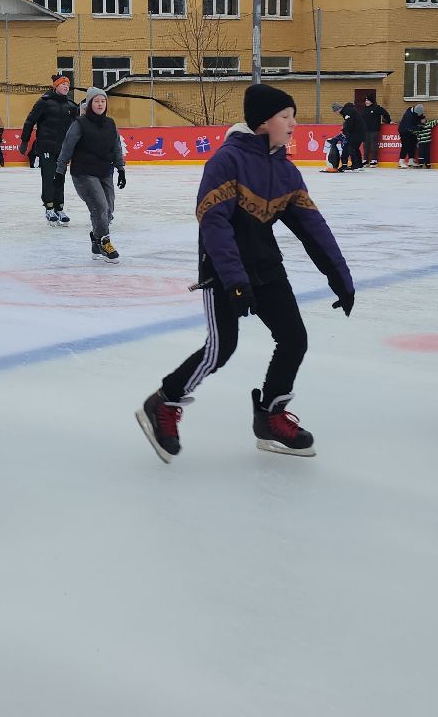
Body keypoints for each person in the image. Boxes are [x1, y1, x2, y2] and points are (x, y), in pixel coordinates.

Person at [137, 84, 354, 463]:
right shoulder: (227, 161)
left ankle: (270, 416)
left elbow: (311, 225)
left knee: (294, 338)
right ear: (262, 122)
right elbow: (214, 223)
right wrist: (235, 281)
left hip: (266, 266)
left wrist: (339, 275)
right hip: (223, 270)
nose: (294, 125)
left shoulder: (284, 170)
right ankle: (164, 402)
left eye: (293, 117)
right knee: (222, 348)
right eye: (286, 117)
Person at [56, 86, 127, 262]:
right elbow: (67, 147)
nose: (100, 104)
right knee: (100, 207)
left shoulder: (110, 124)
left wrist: (121, 169)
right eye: (97, 101)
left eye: (103, 101)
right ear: (89, 103)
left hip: (104, 172)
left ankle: (96, 240)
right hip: (83, 174)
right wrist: (60, 171)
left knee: (108, 210)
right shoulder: (79, 124)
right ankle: (104, 242)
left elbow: (116, 146)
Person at [20, 73, 80, 224]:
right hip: (46, 147)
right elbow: (30, 121)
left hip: (63, 150)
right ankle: (49, 207)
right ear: (56, 86)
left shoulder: (71, 106)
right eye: (63, 84)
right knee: (48, 178)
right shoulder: (44, 102)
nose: (66, 86)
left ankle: (59, 208)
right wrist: (24, 141)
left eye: (68, 84)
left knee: (59, 178)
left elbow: (77, 129)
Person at [360, 97, 391, 169]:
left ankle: (374, 160)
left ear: (372, 101)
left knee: (373, 145)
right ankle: (365, 160)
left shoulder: (377, 108)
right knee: (365, 145)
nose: (366, 102)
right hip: (365, 130)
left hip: (374, 130)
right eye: (366, 100)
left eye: (368, 100)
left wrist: (388, 121)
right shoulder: (364, 109)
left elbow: (385, 113)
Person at [397, 104, 429, 168]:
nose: (420, 115)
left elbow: (421, 117)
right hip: (404, 131)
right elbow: (409, 127)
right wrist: (419, 128)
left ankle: (411, 160)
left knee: (412, 145)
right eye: (419, 114)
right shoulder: (408, 116)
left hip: (412, 131)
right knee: (406, 145)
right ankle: (401, 161)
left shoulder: (417, 112)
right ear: (415, 112)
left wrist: (423, 121)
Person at [335, 101, 364, 170]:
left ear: (338, 109)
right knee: (355, 148)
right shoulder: (349, 110)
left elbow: (349, 122)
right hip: (359, 132)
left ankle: (355, 165)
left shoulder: (347, 111)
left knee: (351, 148)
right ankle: (359, 164)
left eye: (335, 111)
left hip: (356, 132)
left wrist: (344, 131)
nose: (336, 113)